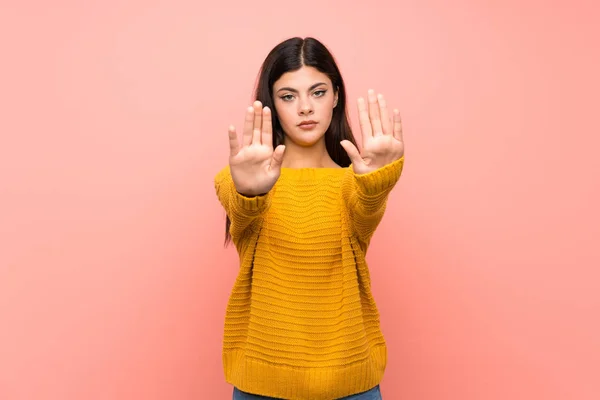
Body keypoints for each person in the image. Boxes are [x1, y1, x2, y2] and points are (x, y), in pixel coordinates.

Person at [214, 36, 405, 400]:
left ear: (336, 96)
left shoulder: (355, 183)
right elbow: (241, 212)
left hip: (352, 386)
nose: (305, 108)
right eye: (288, 96)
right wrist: (252, 192)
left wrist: (376, 183)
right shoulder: (237, 181)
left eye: (317, 92)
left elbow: (366, 212)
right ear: (272, 104)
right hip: (262, 387)